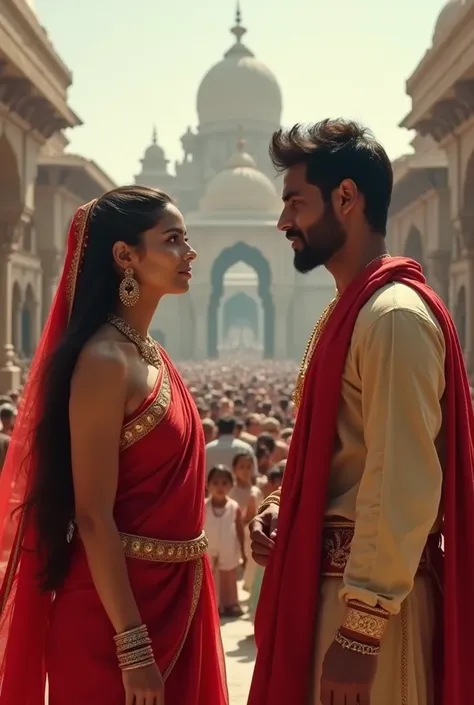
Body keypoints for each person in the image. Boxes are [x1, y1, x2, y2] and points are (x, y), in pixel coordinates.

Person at [248, 120, 474, 705]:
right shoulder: (354, 312)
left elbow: (402, 478)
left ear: (345, 198)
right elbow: (349, 454)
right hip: (330, 592)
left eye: (295, 203)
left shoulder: (392, 316)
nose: (283, 223)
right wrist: (284, 506)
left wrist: (362, 630)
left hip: (372, 612)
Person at [0, 186, 228, 705]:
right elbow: (94, 514)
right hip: (115, 623)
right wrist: (133, 646)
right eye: (173, 240)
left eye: (188, 239)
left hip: (177, 602)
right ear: (125, 256)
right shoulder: (106, 360)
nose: (190, 253)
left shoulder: (148, 355)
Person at [205, 465, 246, 617]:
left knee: (228, 577)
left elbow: (240, 530)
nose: (220, 487)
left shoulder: (233, 507)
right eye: (215, 483)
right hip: (209, 548)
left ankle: (229, 604)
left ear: (231, 485)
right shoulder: (203, 506)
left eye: (224, 483)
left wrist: (243, 551)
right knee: (210, 578)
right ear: (207, 485)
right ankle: (212, 605)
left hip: (228, 548)